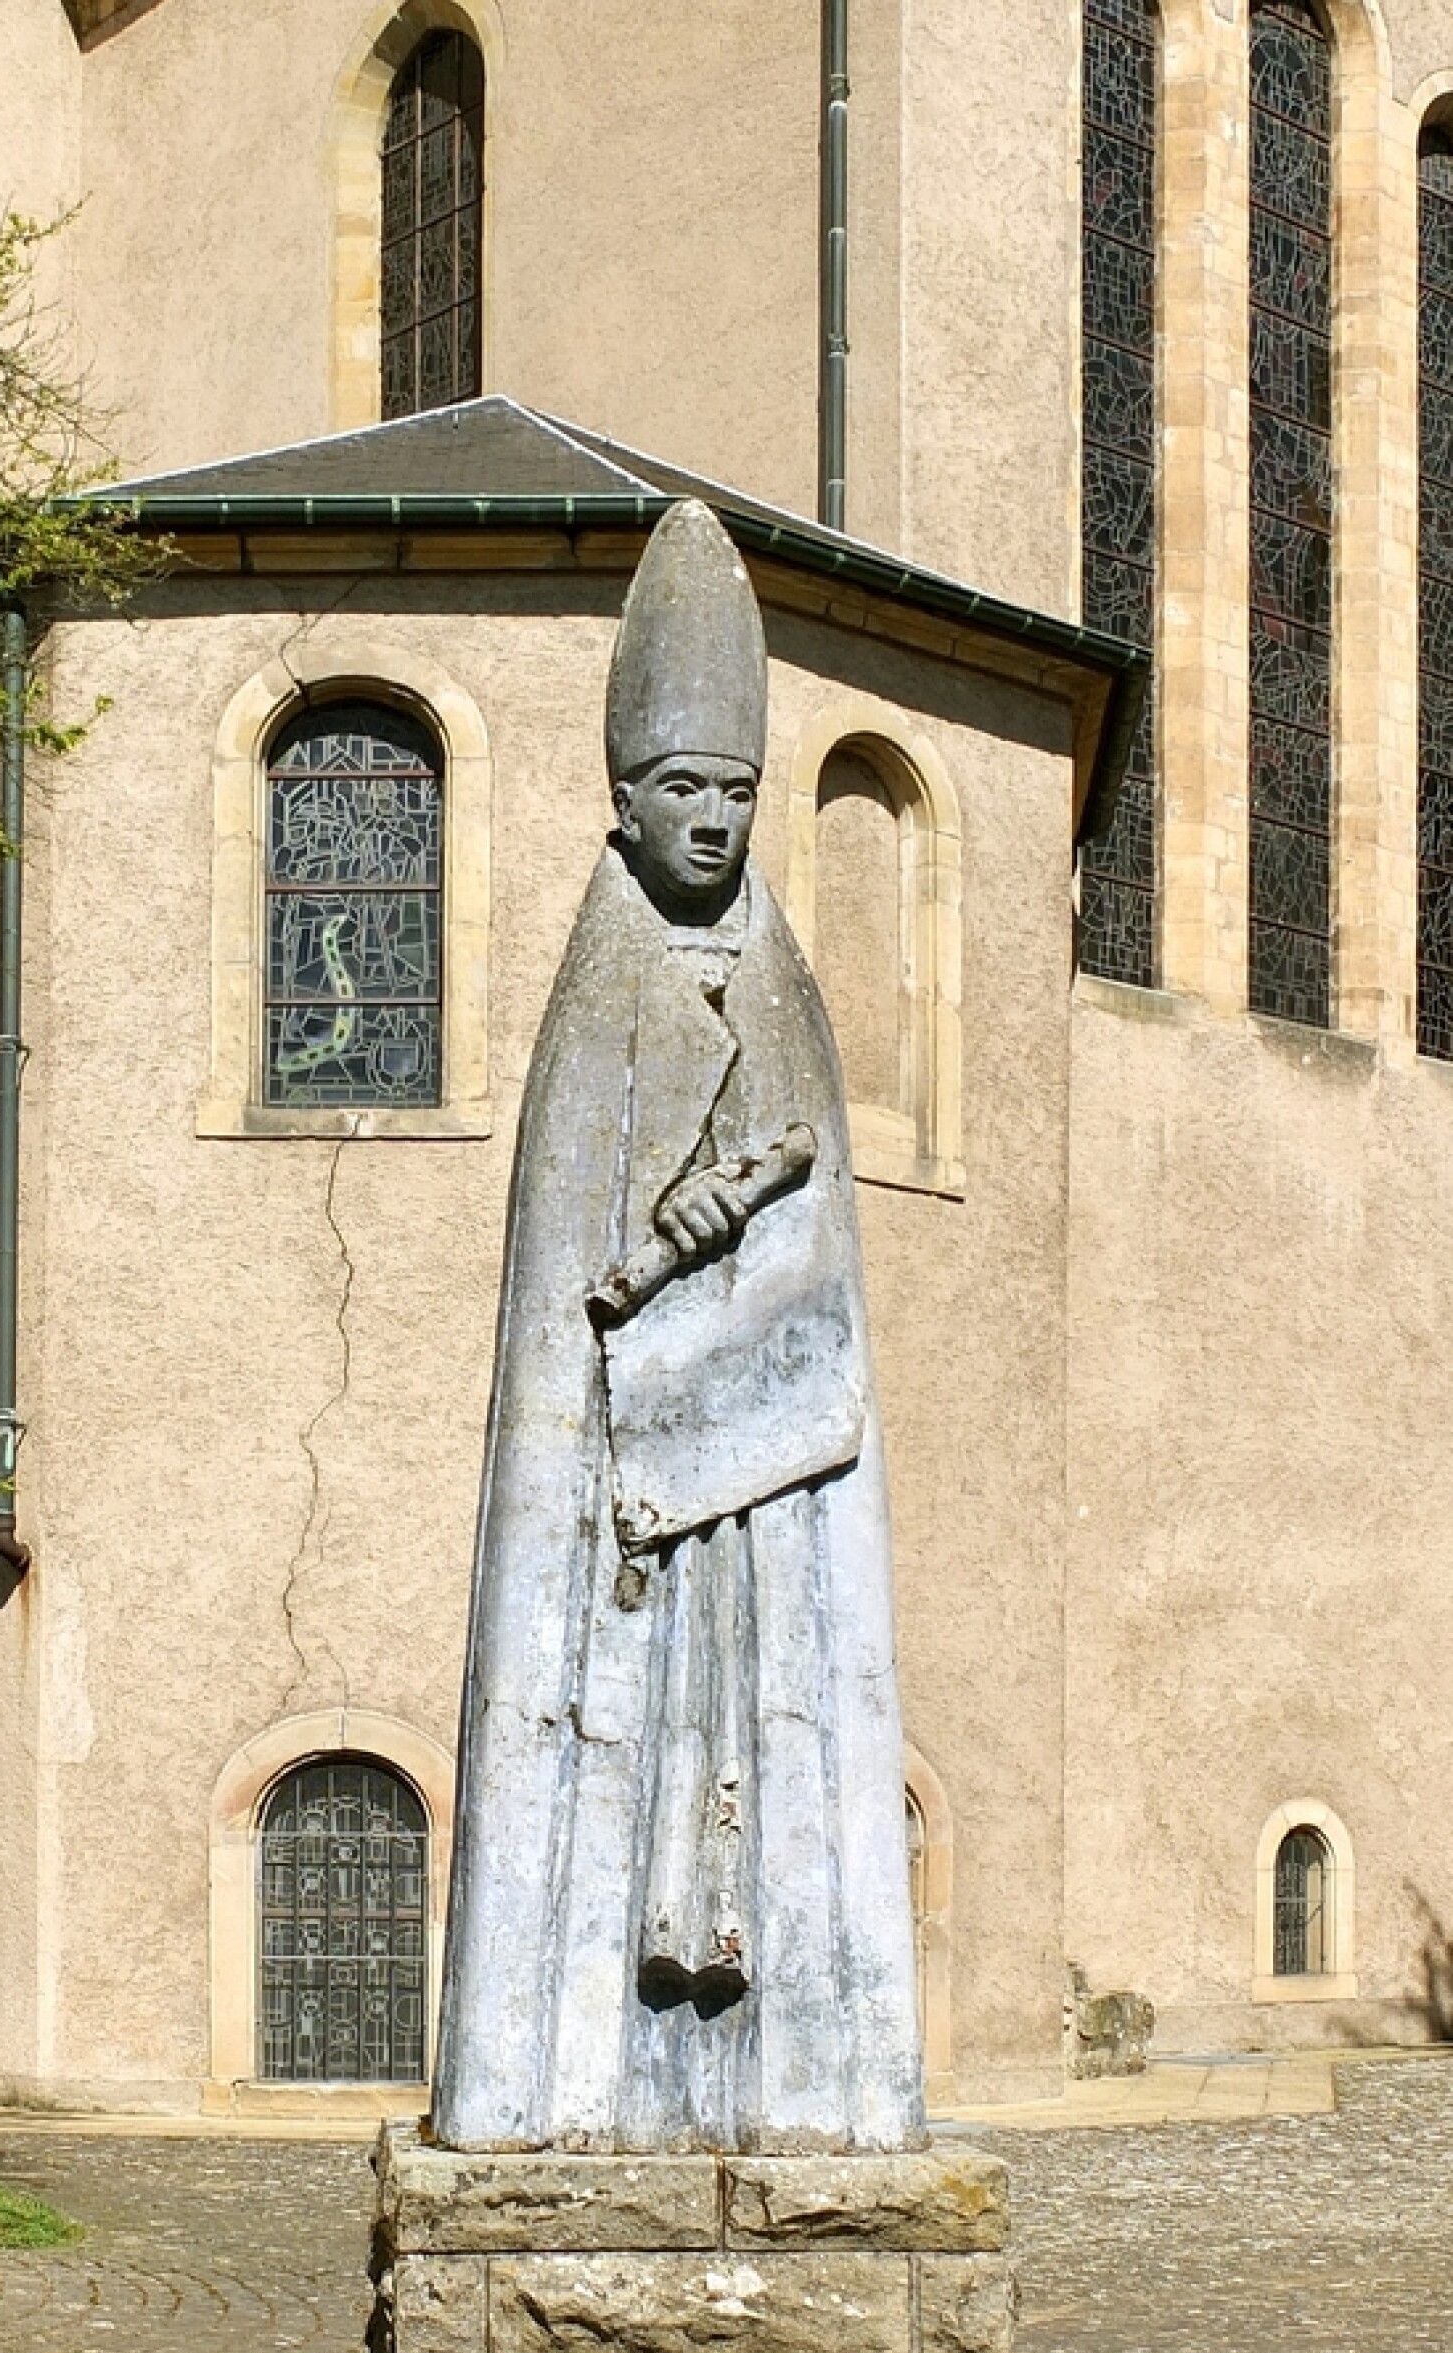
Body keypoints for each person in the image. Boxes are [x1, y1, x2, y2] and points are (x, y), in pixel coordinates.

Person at [431, 499, 925, 2152]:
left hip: (765, 1494)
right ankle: (558, 2084)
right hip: (623, 1522)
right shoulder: (600, 993)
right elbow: (574, 1249)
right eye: (679, 792)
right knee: (616, 1758)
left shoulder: (779, 977)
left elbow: (822, 1221)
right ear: (622, 798)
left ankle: (801, 2074)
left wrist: (751, 1220)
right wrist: (659, 1228)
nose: (711, 822)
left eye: (734, 793)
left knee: (771, 1749)